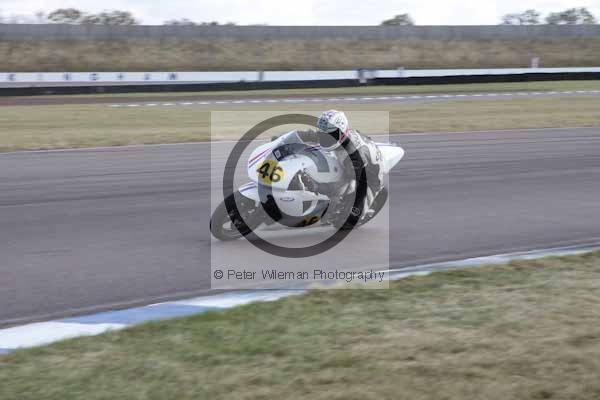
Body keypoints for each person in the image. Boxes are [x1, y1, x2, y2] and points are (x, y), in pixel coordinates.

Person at [296, 110, 385, 229]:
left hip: (368, 178)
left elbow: (347, 186)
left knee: (347, 221)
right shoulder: (332, 135)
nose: (324, 138)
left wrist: (317, 187)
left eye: (329, 135)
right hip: (349, 160)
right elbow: (308, 135)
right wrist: (280, 140)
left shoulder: (354, 157)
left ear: (342, 133)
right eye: (322, 134)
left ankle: (358, 214)